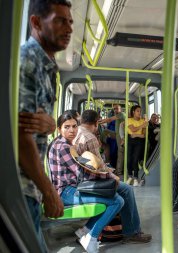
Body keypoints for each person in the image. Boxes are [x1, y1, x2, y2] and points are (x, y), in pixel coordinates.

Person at [49, 111, 151, 253]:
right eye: (67, 127)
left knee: (120, 194)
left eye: (74, 126)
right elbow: (81, 172)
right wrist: (107, 176)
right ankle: (91, 235)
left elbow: (80, 163)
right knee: (117, 201)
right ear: (59, 129)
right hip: (67, 192)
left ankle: (86, 231)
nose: (72, 130)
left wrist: (94, 166)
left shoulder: (61, 142)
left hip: (72, 186)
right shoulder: (64, 147)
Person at [17, 0, 73, 251]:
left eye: (70, 21)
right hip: (20, 185)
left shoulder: (47, 68)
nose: (69, 28)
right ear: (37, 22)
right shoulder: (27, 61)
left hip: (30, 187)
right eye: (60, 20)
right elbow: (20, 137)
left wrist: (50, 125)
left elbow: (38, 125)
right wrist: (49, 191)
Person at [120, 105, 148, 186]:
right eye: (137, 111)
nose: (139, 113)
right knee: (128, 159)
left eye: (140, 111)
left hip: (139, 141)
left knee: (135, 159)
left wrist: (136, 135)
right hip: (130, 140)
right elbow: (133, 129)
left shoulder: (143, 120)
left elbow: (143, 135)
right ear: (133, 112)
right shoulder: (128, 120)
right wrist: (143, 125)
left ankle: (135, 178)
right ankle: (130, 176)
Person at [99, 104, 126, 175]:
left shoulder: (122, 114)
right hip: (116, 133)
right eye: (114, 109)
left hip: (121, 136)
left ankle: (119, 171)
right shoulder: (117, 117)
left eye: (117, 108)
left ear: (121, 109)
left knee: (120, 153)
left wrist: (99, 122)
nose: (115, 110)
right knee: (105, 131)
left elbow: (109, 119)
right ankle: (100, 143)